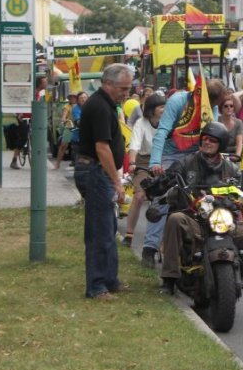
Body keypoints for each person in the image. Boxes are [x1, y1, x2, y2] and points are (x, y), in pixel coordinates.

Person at [160, 122, 243, 322]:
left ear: (221, 144)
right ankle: (169, 279)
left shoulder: (232, 168)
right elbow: (168, 180)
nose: (207, 142)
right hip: (197, 219)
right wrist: (157, 182)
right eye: (205, 139)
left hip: (227, 221)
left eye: (212, 140)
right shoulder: (186, 163)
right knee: (175, 218)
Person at [144, 80, 227, 267]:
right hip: (170, 153)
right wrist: (155, 163)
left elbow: (213, 137)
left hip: (196, 154)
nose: (214, 108)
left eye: (215, 106)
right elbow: (162, 131)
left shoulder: (209, 108)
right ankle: (149, 248)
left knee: (207, 194)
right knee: (162, 196)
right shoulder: (178, 101)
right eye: (213, 104)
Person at [73, 63, 133, 300]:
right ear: (107, 84)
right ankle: (97, 287)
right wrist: (117, 181)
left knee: (108, 229)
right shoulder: (99, 106)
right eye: (123, 89)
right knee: (100, 231)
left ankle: (110, 280)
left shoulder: (106, 104)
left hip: (99, 173)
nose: (126, 94)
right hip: (96, 172)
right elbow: (102, 148)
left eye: (128, 89)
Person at [122, 93, 167, 247]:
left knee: (166, 198)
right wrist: (133, 162)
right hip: (143, 160)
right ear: (152, 109)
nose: (164, 109)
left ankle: (162, 240)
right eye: (161, 107)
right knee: (139, 196)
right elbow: (134, 145)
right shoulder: (140, 123)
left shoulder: (167, 122)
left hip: (162, 160)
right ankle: (129, 234)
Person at [54, 92, 78, 169]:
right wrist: (65, 119)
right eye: (71, 97)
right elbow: (64, 116)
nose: (72, 98)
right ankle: (57, 164)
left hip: (80, 127)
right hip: (70, 126)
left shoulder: (80, 106)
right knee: (63, 145)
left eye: (74, 97)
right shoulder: (67, 106)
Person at [69, 91, 88, 165]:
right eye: (81, 98)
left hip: (89, 138)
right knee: (79, 161)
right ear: (78, 100)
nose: (83, 99)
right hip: (78, 138)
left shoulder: (91, 107)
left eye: (85, 97)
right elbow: (79, 122)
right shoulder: (75, 108)